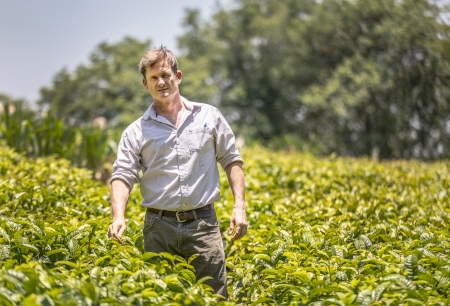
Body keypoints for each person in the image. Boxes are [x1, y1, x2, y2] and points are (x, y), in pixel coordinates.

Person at [107, 46, 247, 298]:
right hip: (159, 229)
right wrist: (118, 216)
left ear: (178, 76)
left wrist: (240, 206)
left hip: (203, 225)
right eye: (153, 78)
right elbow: (123, 175)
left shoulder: (209, 116)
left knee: (214, 297)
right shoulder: (135, 132)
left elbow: (231, 159)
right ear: (145, 83)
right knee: (161, 298)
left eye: (165, 75)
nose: (161, 82)